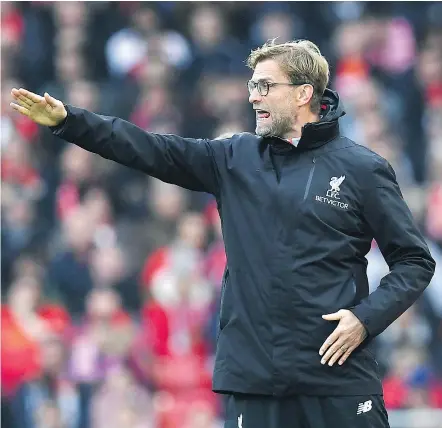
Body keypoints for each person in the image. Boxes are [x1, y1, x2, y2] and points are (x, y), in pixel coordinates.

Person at [11, 39, 435, 428]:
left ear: (304, 93)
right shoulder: (233, 158)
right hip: (255, 382)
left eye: (266, 86)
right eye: (253, 85)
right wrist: (70, 121)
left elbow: (415, 260)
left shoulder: (362, 168)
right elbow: (149, 148)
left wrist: (366, 319)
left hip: (339, 378)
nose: (253, 95)